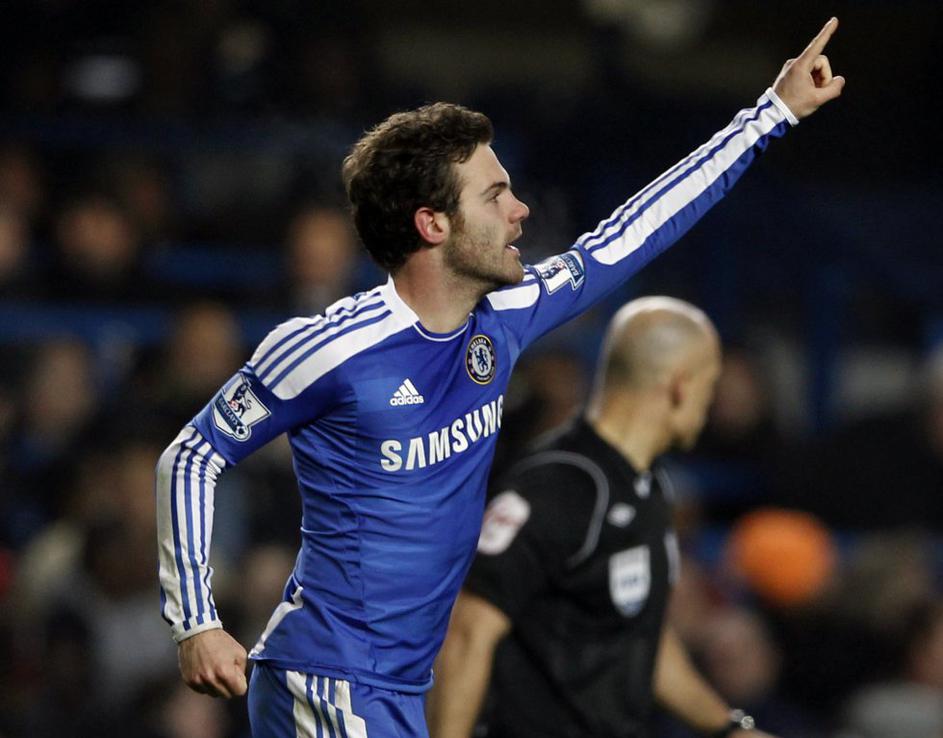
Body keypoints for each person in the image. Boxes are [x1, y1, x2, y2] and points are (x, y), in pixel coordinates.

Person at [155, 18, 844, 738]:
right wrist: (196, 621)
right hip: (327, 682)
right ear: (433, 224)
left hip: (399, 688)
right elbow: (192, 455)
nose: (520, 212)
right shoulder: (330, 349)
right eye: (495, 196)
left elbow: (633, 233)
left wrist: (772, 112)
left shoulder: (505, 318)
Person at [427, 298, 774, 738]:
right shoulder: (560, 484)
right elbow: (468, 632)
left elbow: (639, 637)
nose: (710, 404)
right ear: (681, 386)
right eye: (710, 384)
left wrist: (729, 728)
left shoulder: (647, 485)